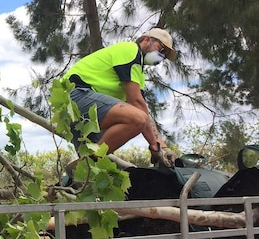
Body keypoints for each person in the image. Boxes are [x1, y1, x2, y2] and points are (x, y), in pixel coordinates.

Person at [62, 28, 178, 182]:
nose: (162, 57)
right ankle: (88, 161)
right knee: (137, 119)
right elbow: (138, 108)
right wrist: (155, 147)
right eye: (161, 49)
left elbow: (143, 109)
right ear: (146, 40)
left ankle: (72, 182)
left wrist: (162, 147)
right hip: (76, 97)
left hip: (80, 111)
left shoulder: (137, 75)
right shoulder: (130, 50)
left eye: (165, 55)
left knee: (94, 174)